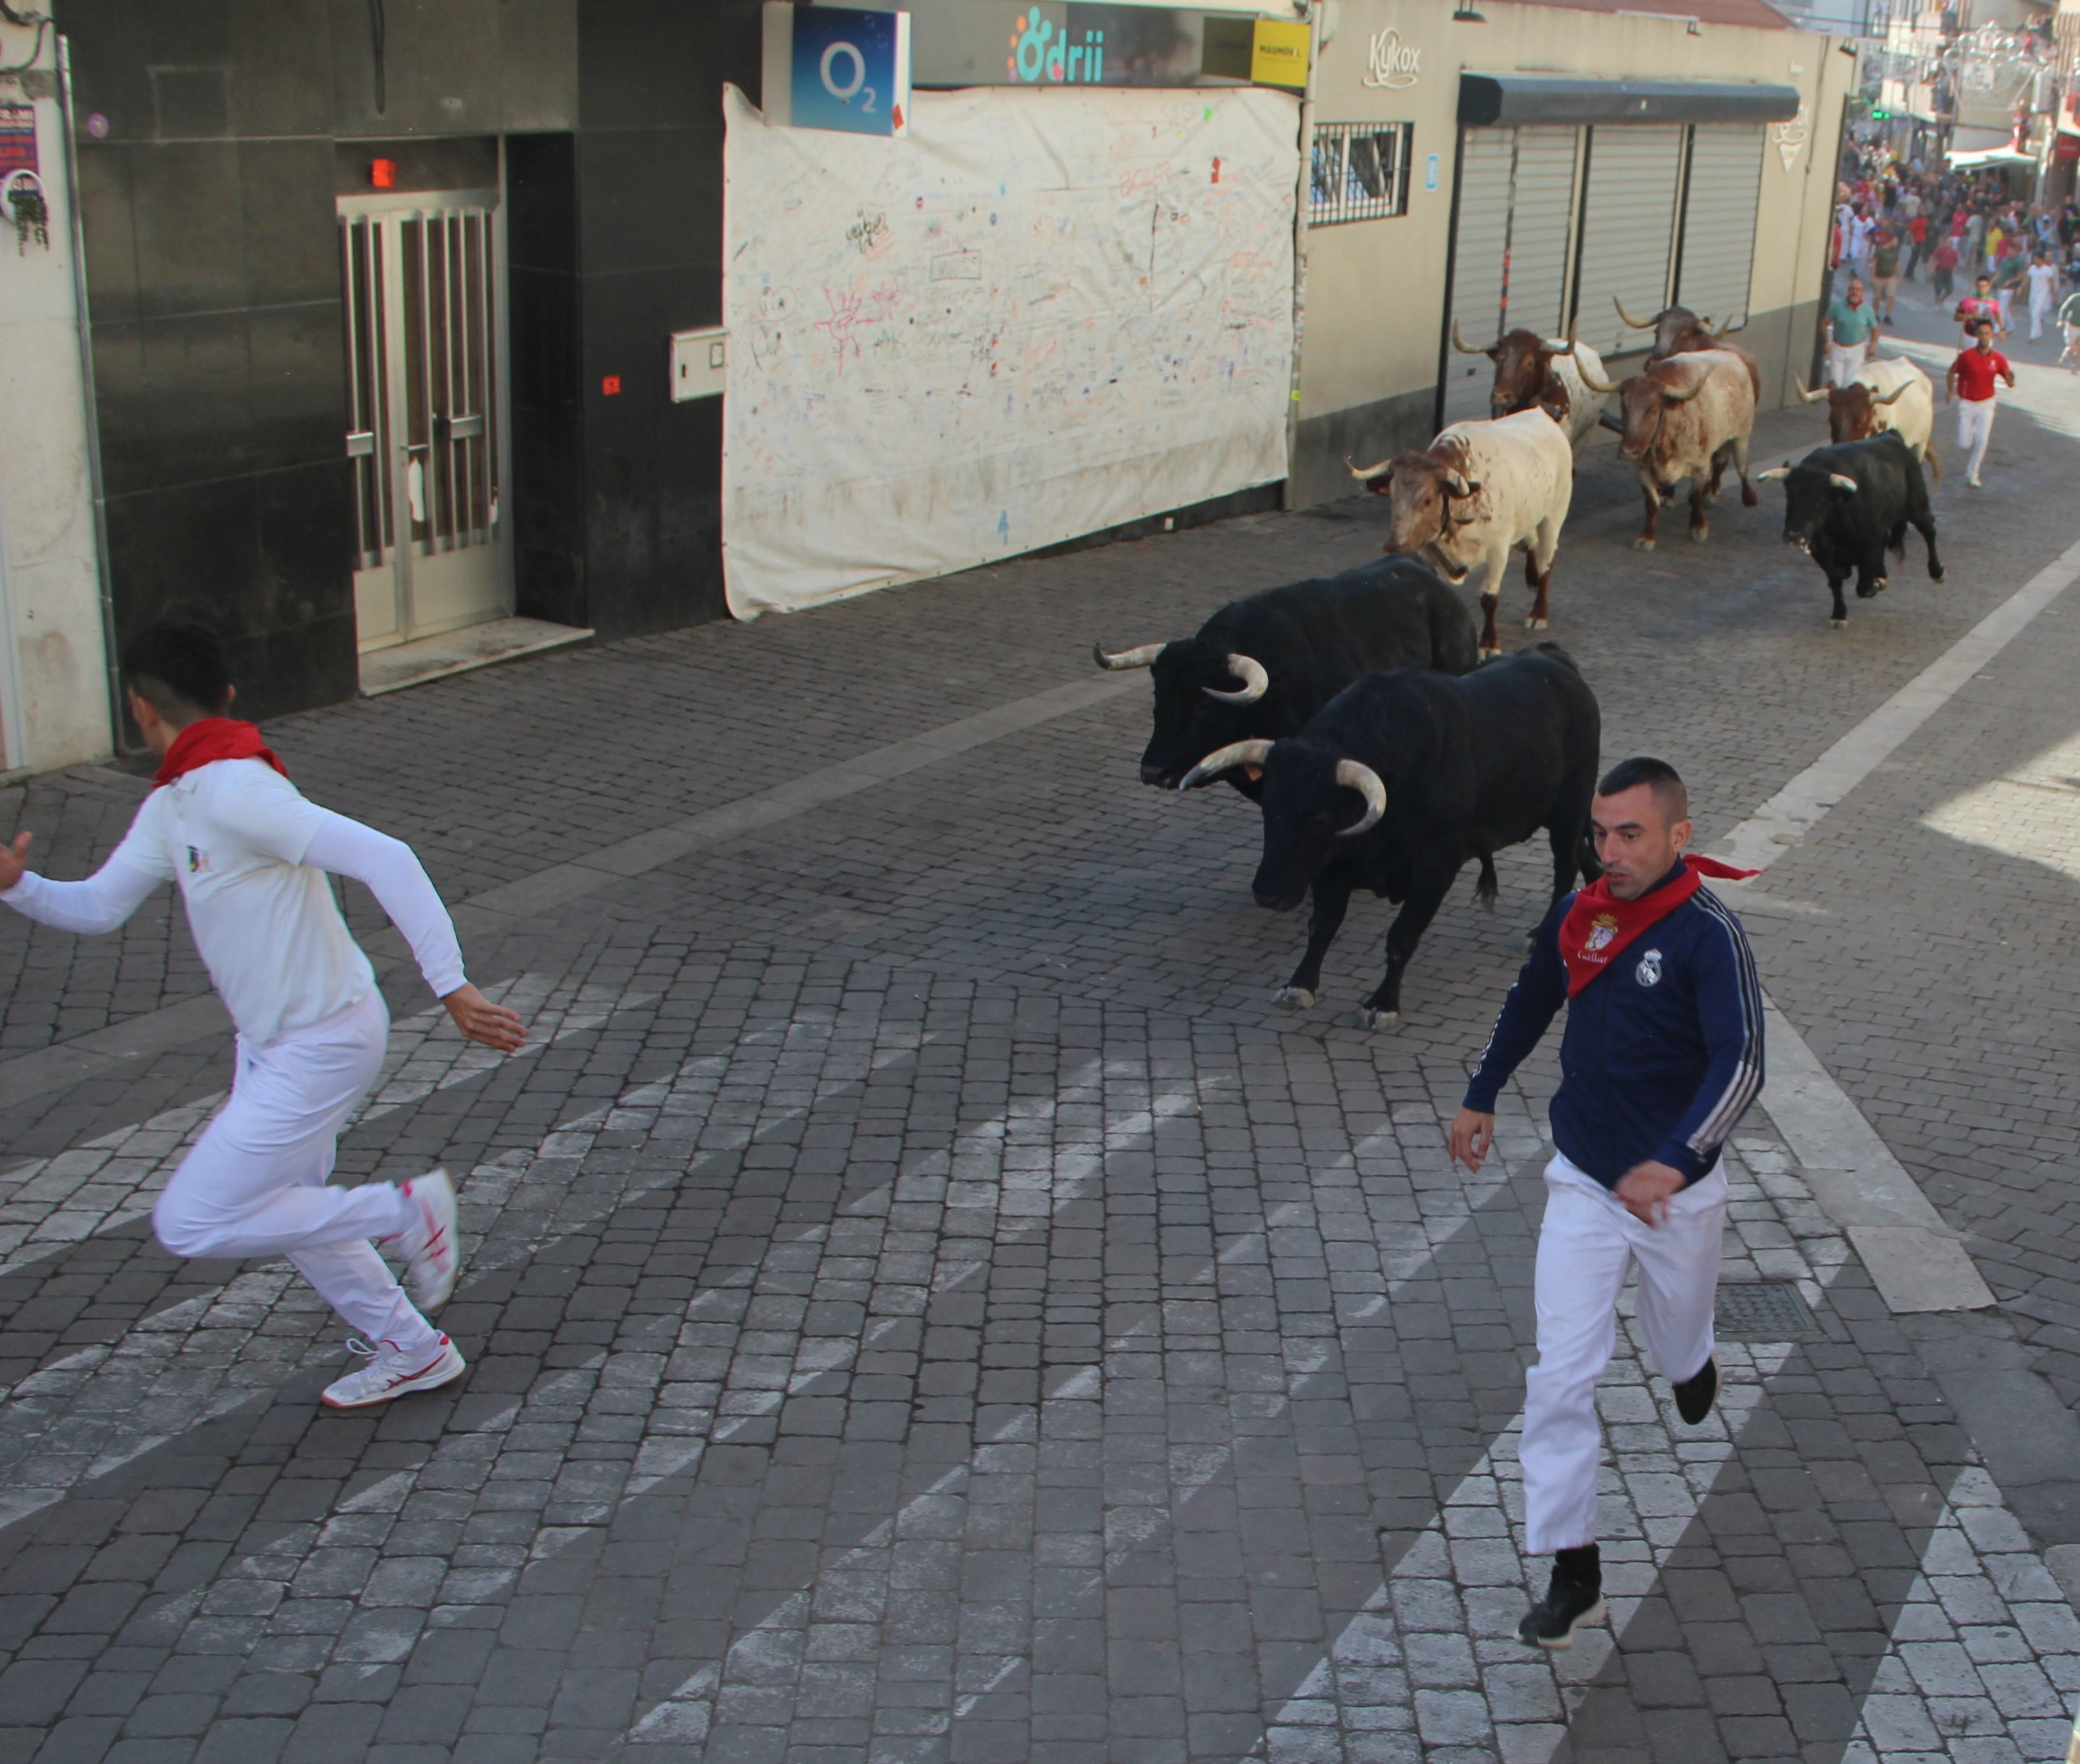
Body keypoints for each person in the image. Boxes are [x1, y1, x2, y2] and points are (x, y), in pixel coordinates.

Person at [0, 621, 527, 1408]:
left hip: (323, 1041)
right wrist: (19, 884)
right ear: (228, 696)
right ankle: (414, 1349)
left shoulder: (237, 789)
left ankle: (405, 1208)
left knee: (193, 1221)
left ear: (141, 709)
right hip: (274, 1046)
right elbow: (101, 905)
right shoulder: (177, 800)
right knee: (293, 1211)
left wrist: (451, 984)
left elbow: (388, 856)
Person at [1449, 758, 1762, 1650]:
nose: (1609, 851)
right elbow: (1528, 1000)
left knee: (1674, 1331)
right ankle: (1571, 1568)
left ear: (1676, 837)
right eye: (1599, 832)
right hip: (1584, 1175)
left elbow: (1740, 1065)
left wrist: (1677, 1159)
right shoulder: (1578, 915)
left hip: (1676, 1195)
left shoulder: (1709, 936)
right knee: (1561, 1371)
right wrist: (1481, 1091)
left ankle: (1691, 1356)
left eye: (1629, 834)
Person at [1947, 318, 2015, 489]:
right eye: (1981, 333)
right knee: (1964, 444)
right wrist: (1950, 391)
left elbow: (2008, 379)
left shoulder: (1999, 358)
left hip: (1986, 403)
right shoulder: (1966, 357)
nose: (1984, 337)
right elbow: (1951, 372)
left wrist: (2011, 379)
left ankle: (1973, 473)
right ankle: (1969, 426)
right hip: (1967, 403)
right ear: (1977, 335)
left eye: (1988, 333)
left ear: (1992, 335)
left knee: (1982, 440)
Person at [1825, 279, 1877, 384]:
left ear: (1862, 293)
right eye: (1852, 289)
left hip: (1856, 350)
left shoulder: (1867, 310)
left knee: (1851, 381)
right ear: (1848, 291)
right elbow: (1824, 323)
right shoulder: (1838, 307)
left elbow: (1875, 329)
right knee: (1836, 381)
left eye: (1858, 289)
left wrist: (1873, 344)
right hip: (1838, 348)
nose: (1855, 292)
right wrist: (1826, 342)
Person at [1955, 273, 2004, 342]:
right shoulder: (1967, 300)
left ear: (1989, 287)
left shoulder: (1993, 302)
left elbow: (1998, 315)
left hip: (1987, 338)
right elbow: (1957, 317)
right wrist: (1972, 316)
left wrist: (2002, 329)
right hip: (1971, 336)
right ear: (1976, 286)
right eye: (1979, 286)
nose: (1981, 289)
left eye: (1984, 286)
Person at [1870, 227, 1901, 323]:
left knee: (1891, 296)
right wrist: (1873, 277)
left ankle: (1888, 315)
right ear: (1891, 240)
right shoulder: (1880, 250)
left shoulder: (1895, 251)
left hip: (1890, 277)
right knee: (1877, 297)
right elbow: (1874, 263)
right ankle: (1875, 314)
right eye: (1895, 240)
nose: (1897, 243)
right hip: (1879, 277)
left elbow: (1896, 263)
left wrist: (1898, 276)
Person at [2027, 250, 2058, 341]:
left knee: (2035, 314)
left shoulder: (2047, 270)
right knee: (2034, 314)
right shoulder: (2032, 268)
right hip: (2033, 294)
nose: (2035, 260)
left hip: (2042, 295)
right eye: (2034, 258)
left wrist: (2053, 294)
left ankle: (2033, 336)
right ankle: (2038, 334)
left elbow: (2051, 283)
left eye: (2037, 258)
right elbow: (2027, 279)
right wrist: (2021, 288)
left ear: (2041, 259)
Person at [1931, 234, 1959, 304]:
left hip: (1948, 272)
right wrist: (1933, 268)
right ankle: (1936, 302)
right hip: (1940, 270)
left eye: (1952, 243)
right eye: (1949, 242)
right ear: (1946, 243)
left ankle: (1942, 299)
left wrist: (1955, 268)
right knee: (1938, 289)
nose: (1950, 244)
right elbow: (1934, 258)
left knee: (1950, 289)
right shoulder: (1941, 249)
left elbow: (1955, 262)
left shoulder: (1954, 252)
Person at [2058, 282, 2080, 372]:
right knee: (2071, 345)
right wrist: (2061, 320)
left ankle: (2074, 365)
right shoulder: (2075, 298)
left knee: (2079, 347)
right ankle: (2067, 351)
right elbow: (2064, 309)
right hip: (2072, 325)